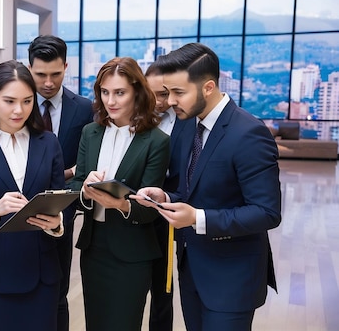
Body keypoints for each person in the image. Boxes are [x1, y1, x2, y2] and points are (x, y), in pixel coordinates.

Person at [132, 42, 281, 331]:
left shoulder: (249, 133)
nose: (169, 102)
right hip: (192, 269)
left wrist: (197, 218)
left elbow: (267, 212)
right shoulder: (186, 124)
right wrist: (164, 195)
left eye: (178, 93)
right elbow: (188, 189)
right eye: (167, 92)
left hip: (232, 278)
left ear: (208, 87)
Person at [0, 60, 65, 331]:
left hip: (40, 274)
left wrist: (57, 222)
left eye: (28, 101)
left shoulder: (48, 142)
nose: (20, 110)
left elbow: (58, 199)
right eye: (10, 101)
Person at [69, 57, 170, 330]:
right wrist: (86, 190)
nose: (110, 101)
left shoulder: (157, 141)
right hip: (94, 248)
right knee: (95, 323)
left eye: (120, 93)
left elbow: (150, 207)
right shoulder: (90, 133)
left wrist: (121, 205)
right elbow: (74, 185)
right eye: (105, 92)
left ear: (137, 92)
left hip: (132, 252)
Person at [27, 34, 93, 331]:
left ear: (66, 66)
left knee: (58, 294)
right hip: (18, 211)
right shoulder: (16, 106)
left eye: (56, 74)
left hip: (61, 216)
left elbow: (85, 165)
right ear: (29, 69)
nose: (49, 82)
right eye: (41, 74)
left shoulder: (84, 109)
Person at [144, 58, 193, 331]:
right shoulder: (136, 118)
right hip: (143, 209)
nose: (160, 102)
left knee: (168, 286)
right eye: (152, 94)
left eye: (164, 94)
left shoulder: (188, 121)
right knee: (149, 281)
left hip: (178, 209)